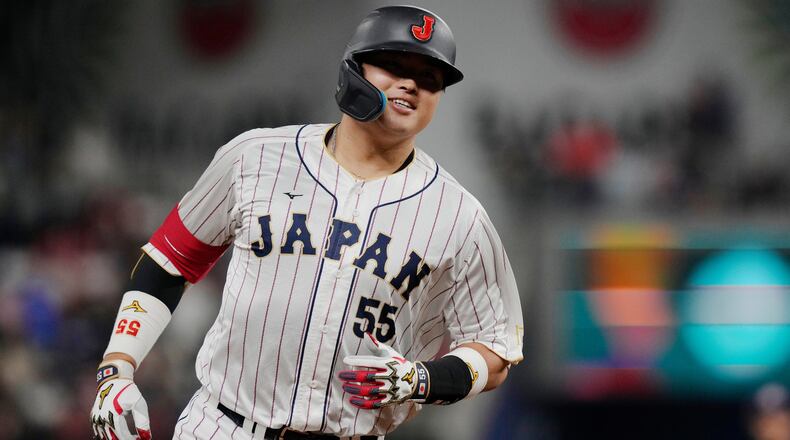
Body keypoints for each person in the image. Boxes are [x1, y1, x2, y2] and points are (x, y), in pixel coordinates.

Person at [90, 5, 524, 440]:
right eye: (393, 64)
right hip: (224, 425)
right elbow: (169, 261)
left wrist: (423, 380)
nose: (411, 83)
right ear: (353, 70)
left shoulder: (459, 216)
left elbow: (494, 348)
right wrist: (117, 370)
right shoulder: (254, 157)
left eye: (430, 77)